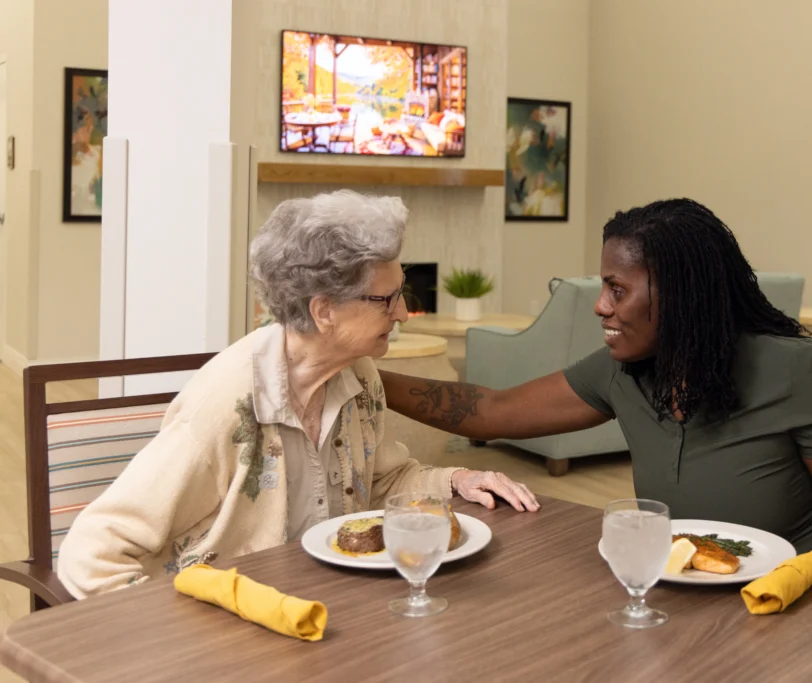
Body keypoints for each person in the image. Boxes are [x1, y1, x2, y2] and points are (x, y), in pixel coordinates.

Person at [381, 198, 812, 575]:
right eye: (601, 288)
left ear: (683, 296)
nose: (601, 306)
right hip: (682, 597)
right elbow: (489, 411)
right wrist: (363, 379)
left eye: (617, 290)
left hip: (798, 602)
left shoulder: (796, 372)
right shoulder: (625, 371)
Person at [58, 190, 539, 598]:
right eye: (386, 299)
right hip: (237, 631)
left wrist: (457, 480)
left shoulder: (359, 378)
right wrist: (182, 643)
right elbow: (92, 550)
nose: (402, 314)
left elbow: (382, 483)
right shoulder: (227, 405)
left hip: (329, 608)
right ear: (323, 310)